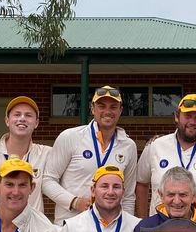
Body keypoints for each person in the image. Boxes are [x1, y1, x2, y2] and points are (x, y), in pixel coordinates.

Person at [41, 85, 138, 224]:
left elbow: (128, 195)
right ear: (92, 109)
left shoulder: (128, 146)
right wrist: (74, 202)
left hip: (109, 226)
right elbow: (47, 180)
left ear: (120, 110)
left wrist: (126, 227)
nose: (107, 111)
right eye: (101, 106)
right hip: (71, 224)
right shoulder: (70, 137)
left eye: (113, 107)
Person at [135, 93, 196, 221]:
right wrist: (143, 222)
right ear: (177, 116)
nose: (192, 122)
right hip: (161, 228)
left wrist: (191, 202)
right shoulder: (155, 146)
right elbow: (141, 184)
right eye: (187, 116)